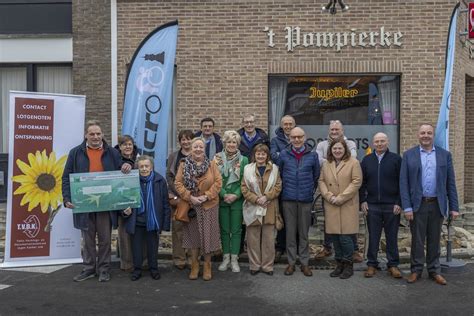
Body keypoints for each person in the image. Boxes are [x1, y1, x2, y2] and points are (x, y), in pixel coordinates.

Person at [62, 120, 132, 282]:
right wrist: (67, 198)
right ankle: (88, 268)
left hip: (105, 203)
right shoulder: (75, 153)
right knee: (87, 239)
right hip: (84, 203)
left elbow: (121, 172)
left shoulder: (112, 153)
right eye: (92, 134)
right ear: (86, 135)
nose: (95, 137)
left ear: (102, 135)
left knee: (105, 238)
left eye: (98, 133)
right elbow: (66, 177)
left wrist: (126, 166)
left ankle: (104, 269)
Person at [400, 124, 459, 285]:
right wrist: (407, 207)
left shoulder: (444, 155)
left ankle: (434, 270)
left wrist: (454, 207)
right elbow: (403, 183)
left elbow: (450, 183)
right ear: (418, 135)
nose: (425, 135)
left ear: (433, 135)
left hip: (437, 204)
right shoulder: (409, 155)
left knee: (434, 240)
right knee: (417, 241)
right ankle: (416, 270)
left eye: (429, 133)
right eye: (423, 133)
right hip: (417, 205)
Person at [175, 138, 223, 281]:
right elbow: (178, 183)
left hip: (209, 205)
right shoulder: (183, 165)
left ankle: (207, 264)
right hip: (191, 206)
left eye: (200, 147)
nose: (198, 149)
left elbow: (218, 182)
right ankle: (195, 264)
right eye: (195, 146)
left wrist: (206, 196)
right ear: (191, 148)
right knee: (193, 237)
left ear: (204, 149)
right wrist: (190, 197)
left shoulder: (212, 164)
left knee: (208, 236)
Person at [314, 120, 362, 263]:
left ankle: (353, 252)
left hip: (346, 194)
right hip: (330, 194)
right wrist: (328, 195)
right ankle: (328, 248)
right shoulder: (322, 145)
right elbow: (319, 162)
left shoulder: (351, 144)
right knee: (331, 224)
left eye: (337, 129)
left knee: (347, 228)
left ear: (342, 130)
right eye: (332, 129)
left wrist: (341, 197)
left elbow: (351, 161)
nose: (334, 132)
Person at [360, 133, 402, 278]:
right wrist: (362, 201)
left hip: (392, 206)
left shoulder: (396, 159)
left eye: (382, 141)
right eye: (377, 141)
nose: (379, 144)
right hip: (372, 205)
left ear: (387, 142)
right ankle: (372, 264)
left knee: (392, 237)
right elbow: (362, 183)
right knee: (373, 236)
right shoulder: (367, 160)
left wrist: (399, 202)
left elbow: (402, 183)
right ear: (373, 143)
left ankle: (393, 265)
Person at [278, 127, 319, 277]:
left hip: (305, 200)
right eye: (294, 137)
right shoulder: (283, 154)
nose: (296, 140)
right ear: (290, 138)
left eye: (299, 137)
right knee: (290, 233)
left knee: (303, 233)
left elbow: (316, 176)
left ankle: (304, 263)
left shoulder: (312, 156)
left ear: (304, 137)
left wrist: (308, 191)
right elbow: (280, 174)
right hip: (288, 199)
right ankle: (291, 263)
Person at [122, 155, 171, 281]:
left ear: (151, 167)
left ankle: (154, 269)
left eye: (146, 166)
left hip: (153, 221)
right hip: (136, 221)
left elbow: (165, 203)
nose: (144, 169)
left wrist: (165, 224)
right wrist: (125, 211)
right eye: (141, 166)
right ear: (137, 167)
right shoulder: (131, 181)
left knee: (153, 248)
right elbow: (123, 201)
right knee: (136, 248)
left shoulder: (160, 181)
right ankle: (137, 270)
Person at [241, 143, 282, 275]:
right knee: (252, 240)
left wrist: (266, 197)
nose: (260, 156)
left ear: (267, 155)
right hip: (252, 207)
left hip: (269, 208)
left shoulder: (274, 169)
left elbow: (278, 186)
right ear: (254, 155)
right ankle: (254, 265)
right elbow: (244, 188)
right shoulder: (248, 169)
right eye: (258, 153)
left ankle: (267, 266)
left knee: (268, 240)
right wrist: (256, 199)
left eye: (263, 153)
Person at [214, 130, 248, 273]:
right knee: (224, 230)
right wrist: (223, 194)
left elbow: (245, 181)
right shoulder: (216, 158)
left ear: (238, 144)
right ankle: (225, 258)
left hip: (237, 200)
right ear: (224, 143)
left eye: (234, 142)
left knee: (236, 230)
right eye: (229, 142)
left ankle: (234, 259)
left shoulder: (244, 160)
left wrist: (235, 195)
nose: (231, 144)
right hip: (222, 199)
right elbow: (214, 180)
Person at [166, 129, 194, 270]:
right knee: (177, 229)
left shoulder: (198, 156)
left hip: (193, 199)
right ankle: (179, 259)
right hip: (177, 198)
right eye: (183, 139)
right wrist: (179, 193)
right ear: (180, 141)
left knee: (192, 230)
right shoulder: (173, 156)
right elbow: (169, 176)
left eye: (188, 139)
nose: (186, 142)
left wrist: (190, 195)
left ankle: (191, 258)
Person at [270, 115, 295, 261]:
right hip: (280, 183)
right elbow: (274, 157)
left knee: (294, 218)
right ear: (281, 126)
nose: (288, 126)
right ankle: (280, 246)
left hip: (294, 183)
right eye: (285, 124)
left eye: (290, 124)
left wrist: (283, 154)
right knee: (281, 216)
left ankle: (294, 246)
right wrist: (289, 155)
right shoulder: (275, 140)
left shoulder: (298, 137)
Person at [115, 135, 139, 272]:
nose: (127, 147)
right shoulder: (115, 160)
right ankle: (126, 263)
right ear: (119, 147)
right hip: (121, 199)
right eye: (124, 145)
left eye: (130, 144)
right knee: (124, 233)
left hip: (137, 200)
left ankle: (141, 262)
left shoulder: (139, 157)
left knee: (138, 232)